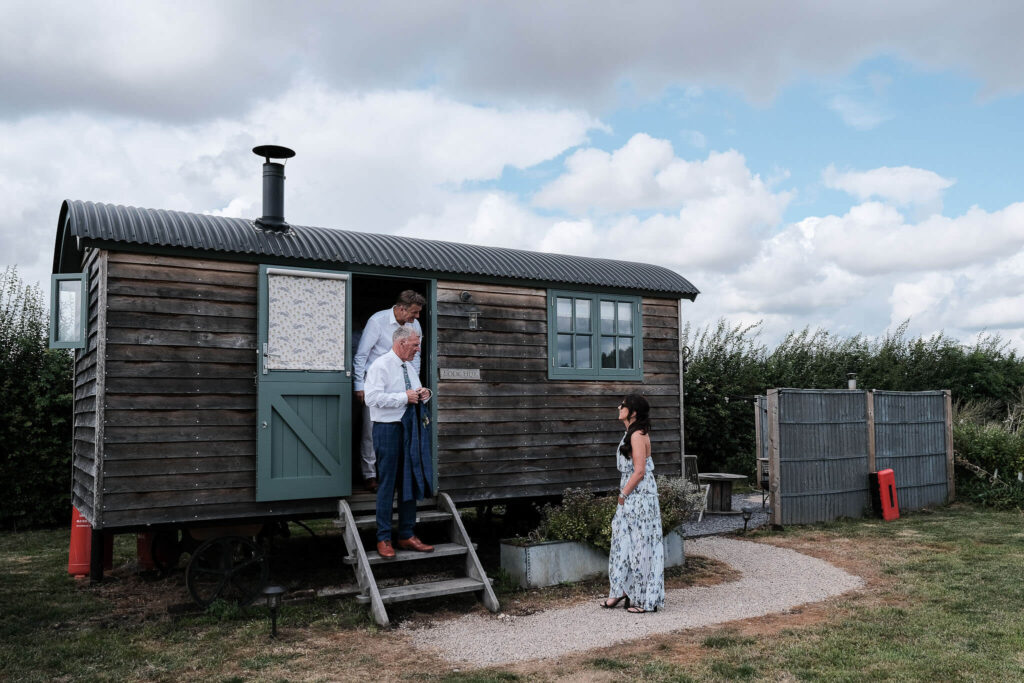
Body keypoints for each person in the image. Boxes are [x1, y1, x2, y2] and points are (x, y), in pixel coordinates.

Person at [364, 325, 434, 558]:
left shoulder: (409, 366)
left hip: (409, 428)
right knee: (387, 484)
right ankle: (384, 538)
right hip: (388, 430)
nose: (417, 349)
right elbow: (372, 398)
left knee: (409, 481)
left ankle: (406, 534)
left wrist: (423, 393)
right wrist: (404, 397)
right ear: (401, 343)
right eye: (415, 345)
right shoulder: (380, 365)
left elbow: (413, 391)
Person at [353, 290, 426, 492]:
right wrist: (359, 385)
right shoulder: (377, 321)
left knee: (400, 427)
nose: (417, 317)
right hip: (376, 382)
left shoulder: (414, 325)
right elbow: (361, 355)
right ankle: (370, 474)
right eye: (414, 312)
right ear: (401, 309)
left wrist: (414, 384)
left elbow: (416, 356)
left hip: (401, 383)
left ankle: (396, 474)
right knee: (371, 429)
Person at [602, 393, 665, 613]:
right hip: (632, 495)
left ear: (634, 412)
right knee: (622, 542)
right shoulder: (630, 433)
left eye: (624, 405)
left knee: (640, 546)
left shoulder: (638, 435)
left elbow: (639, 471)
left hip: (639, 497)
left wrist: (623, 495)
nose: (619, 406)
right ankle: (622, 590)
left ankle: (643, 598)